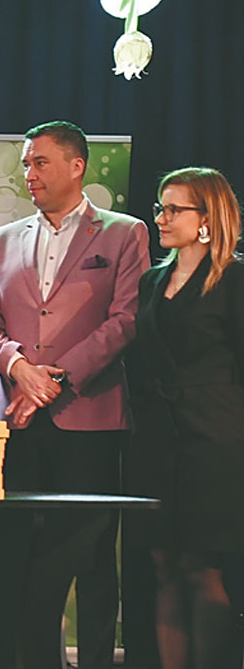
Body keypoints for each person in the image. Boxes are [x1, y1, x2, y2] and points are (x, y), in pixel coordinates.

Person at [0, 121, 149, 669]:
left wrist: (58, 377)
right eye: (26, 163)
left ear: (77, 166)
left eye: (40, 162)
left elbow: (126, 320)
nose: (29, 173)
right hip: (20, 424)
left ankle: (95, 659)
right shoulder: (4, 239)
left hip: (90, 420)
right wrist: (19, 367)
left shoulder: (124, 233)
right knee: (22, 556)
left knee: (92, 558)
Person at [126, 168, 244, 669]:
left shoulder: (234, 280)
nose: (161, 217)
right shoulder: (152, 281)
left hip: (215, 441)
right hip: (159, 442)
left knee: (202, 567)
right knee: (165, 566)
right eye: (160, 207)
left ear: (207, 218)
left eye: (174, 209)